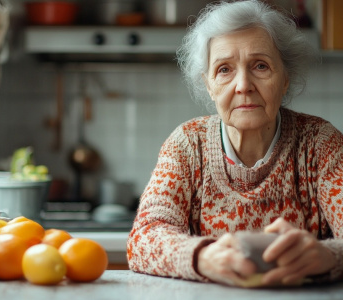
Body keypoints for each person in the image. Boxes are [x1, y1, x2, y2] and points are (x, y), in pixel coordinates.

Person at [126, 0, 343, 287]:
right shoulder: (187, 145)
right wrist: (203, 258)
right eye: (224, 70)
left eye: (260, 66)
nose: (243, 85)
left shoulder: (320, 143)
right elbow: (144, 238)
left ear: (285, 78)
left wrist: (327, 256)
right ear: (208, 85)